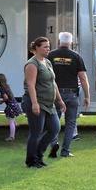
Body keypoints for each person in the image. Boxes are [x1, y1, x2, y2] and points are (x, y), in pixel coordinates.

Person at [22, 37, 66, 168]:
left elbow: (53, 82)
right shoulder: (32, 64)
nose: (48, 49)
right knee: (36, 132)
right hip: (36, 102)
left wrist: (60, 100)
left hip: (49, 103)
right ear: (36, 48)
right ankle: (31, 161)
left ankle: (38, 156)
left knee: (54, 129)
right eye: (45, 47)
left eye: (49, 46)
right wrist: (34, 103)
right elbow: (31, 85)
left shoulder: (47, 62)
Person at [48, 31, 89, 158]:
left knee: (53, 120)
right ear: (71, 42)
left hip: (54, 92)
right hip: (71, 93)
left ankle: (54, 142)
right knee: (70, 122)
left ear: (59, 41)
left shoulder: (50, 55)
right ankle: (65, 151)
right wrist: (87, 95)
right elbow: (82, 77)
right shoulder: (76, 56)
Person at [0, 72, 22, 141]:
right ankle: (16, 124)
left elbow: (6, 98)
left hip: (11, 106)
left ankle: (11, 137)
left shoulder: (1, 89)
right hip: (14, 104)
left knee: (10, 120)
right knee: (11, 117)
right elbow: (6, 95)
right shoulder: (6, 86)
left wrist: (1, 101)